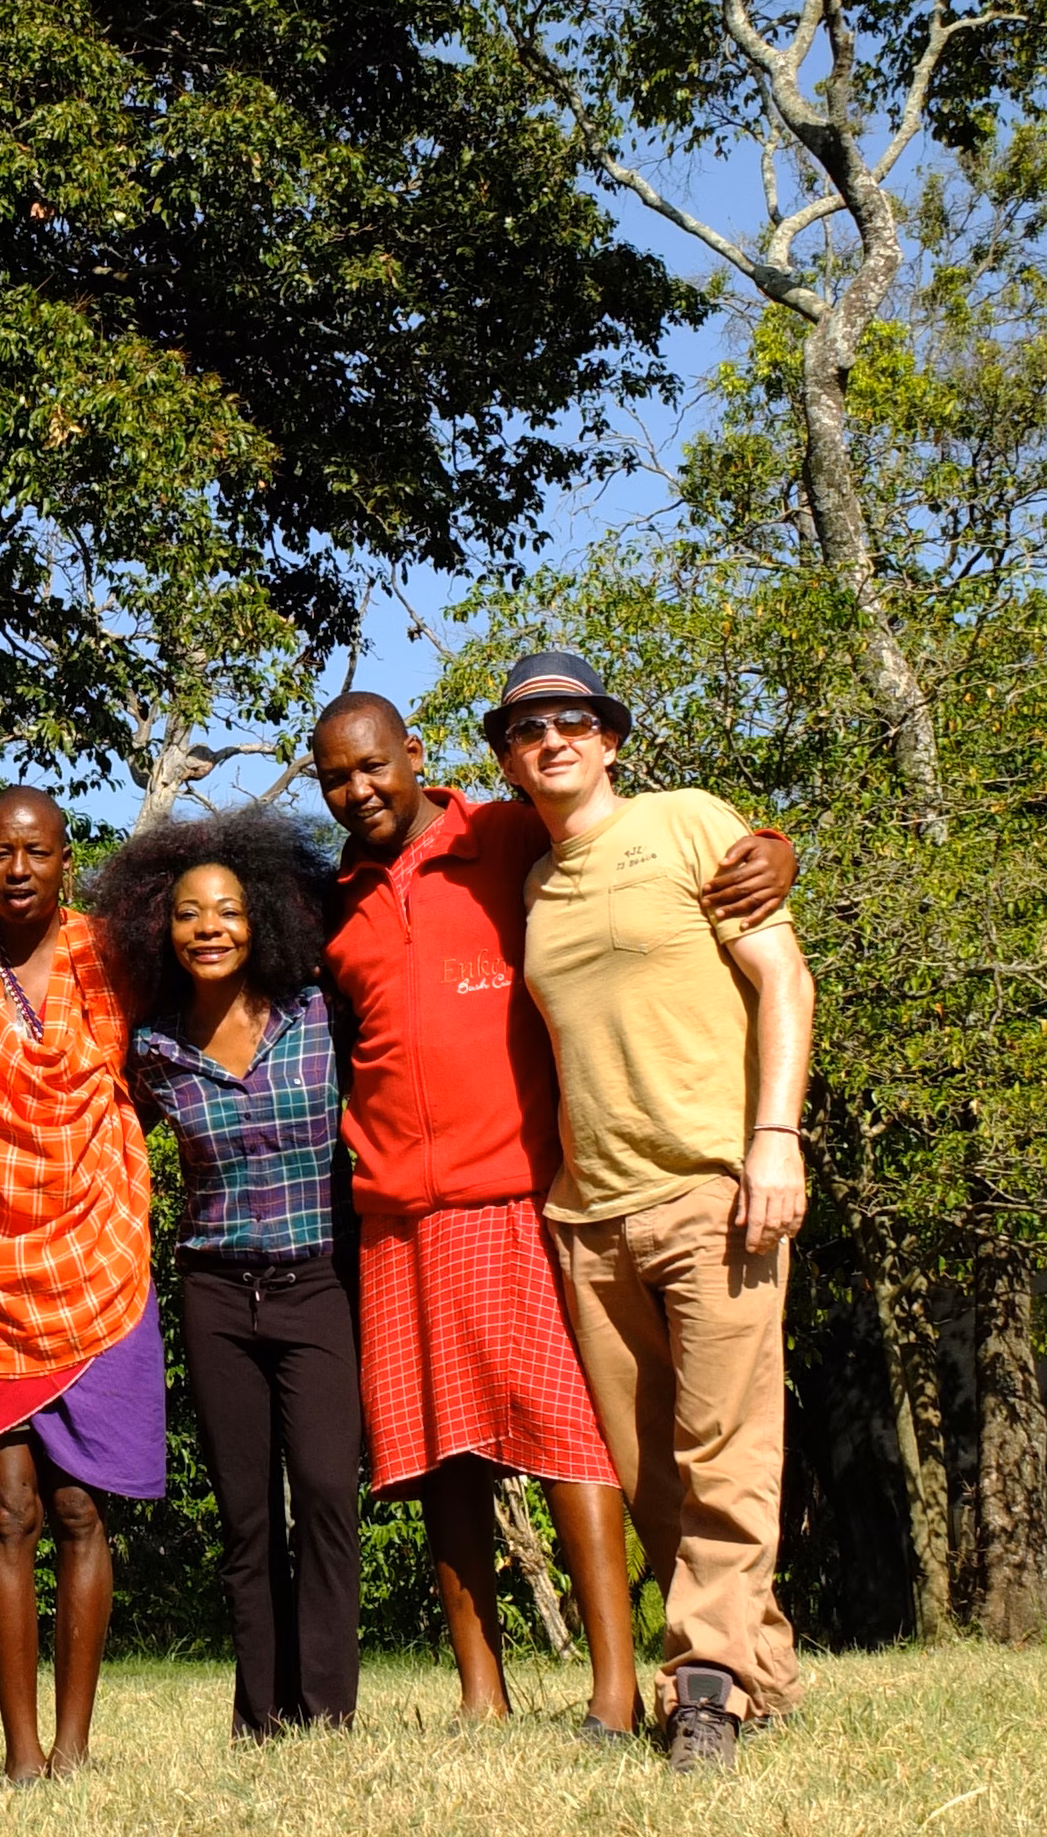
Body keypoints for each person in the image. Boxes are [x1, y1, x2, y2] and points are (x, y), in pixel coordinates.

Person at [311, 689, 798, 1741]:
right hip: (410, 1205)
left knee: (576, 1442)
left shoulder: (500, 833)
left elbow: (627, 828)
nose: (357, 791)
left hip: (534, 1188)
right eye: (334, 779)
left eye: (371, 766)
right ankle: (496, 1694)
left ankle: (627, 1691)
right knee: (452, 1456)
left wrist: (773, 842)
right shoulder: (333, 901)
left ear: (415, 755)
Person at [491, 652, 817, 1776]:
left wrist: (772, 1139)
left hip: (708, 1189)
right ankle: (757, 1670)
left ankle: (707, 1691)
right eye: (527, 728)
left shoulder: (686, 823)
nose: (552, 739)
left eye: (572, 719)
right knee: (652, 1477)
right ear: (505, 757)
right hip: (587, 1218)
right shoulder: (530, 881)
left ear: (611, 738)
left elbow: (782, 978)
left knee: (724, 1447)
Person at [0, 786, 165, 1783]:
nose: (17, 870)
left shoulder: (113, 956)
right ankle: (18, 1752)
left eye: (36, 853)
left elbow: (149, 1074)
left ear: (66, 860)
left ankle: (70, 1748)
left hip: (97, 1250)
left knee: (78, 1511)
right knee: (6, 1505)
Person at [86, 809, 358, 1737]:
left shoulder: (321, 1013)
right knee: (247, 1516)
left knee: (324, 1492)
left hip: (316, 1283)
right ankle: (261, 1714)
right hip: (214, 1293)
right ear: (157, 926)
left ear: (267, 918)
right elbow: (81, 1120)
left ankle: (326, 1710)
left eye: (230, 911)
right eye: (190, 913)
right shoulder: (153, 1050)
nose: (210, 929)